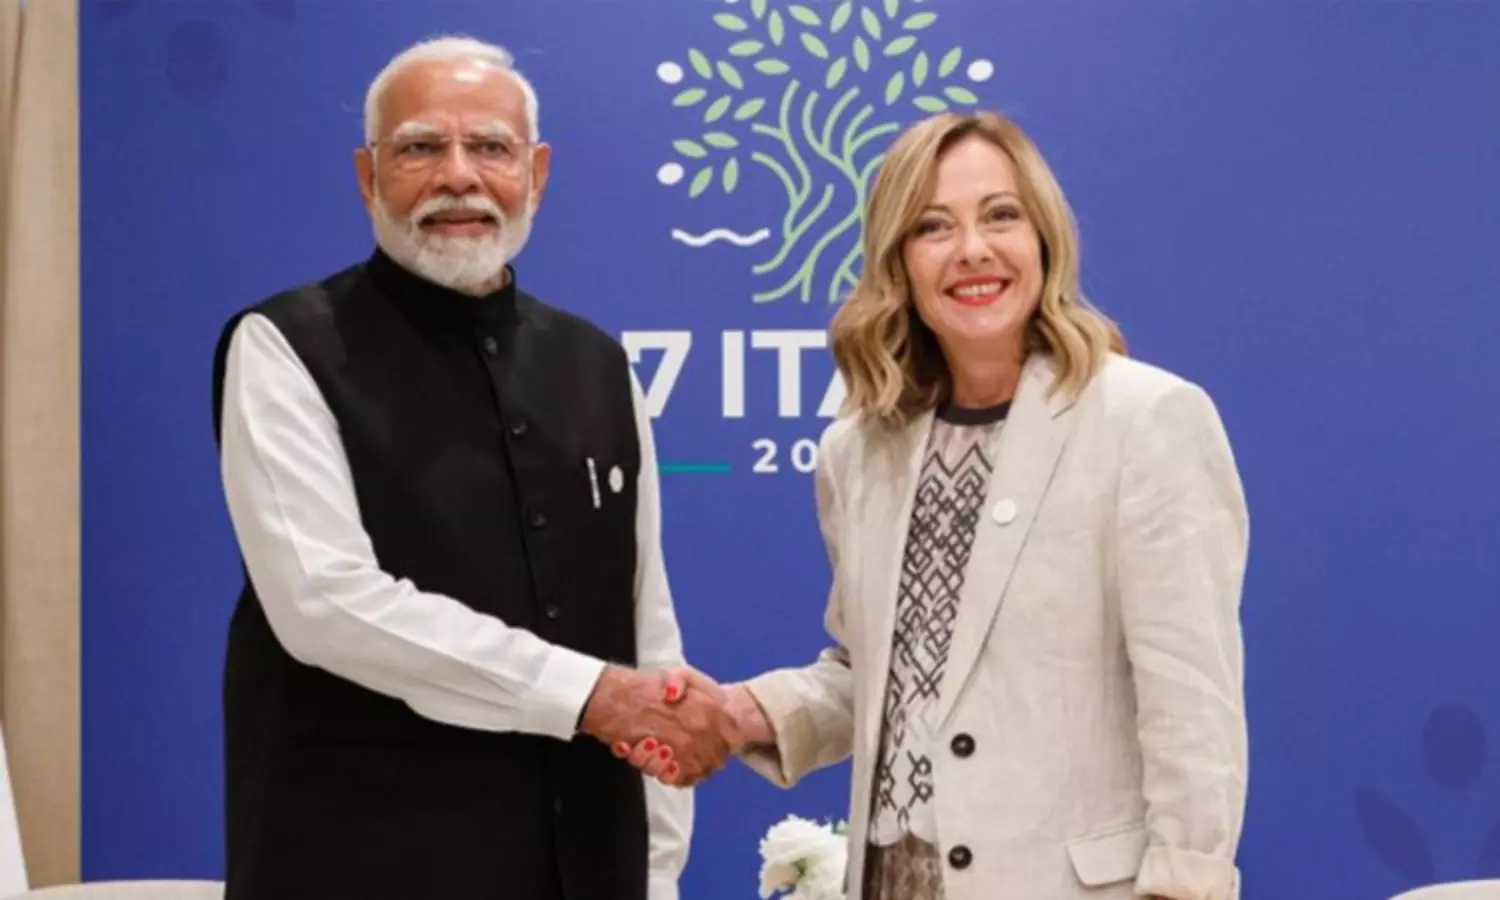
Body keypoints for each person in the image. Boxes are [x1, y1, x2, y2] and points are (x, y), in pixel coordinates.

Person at [623, 110, 1251, 900]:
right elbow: (883, 675)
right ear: (900, 261)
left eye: (1001, 215)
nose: (973, 250)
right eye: (933, 226)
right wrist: (745, 712)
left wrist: (1186, 887)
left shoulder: (1145, 419)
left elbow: (1192, 705)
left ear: (1044, 237)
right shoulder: (860, 450)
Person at [210, 36, 731, 900]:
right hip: (360, 864)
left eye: (491, 146)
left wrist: (657, 868)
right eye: (420, 147)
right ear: (367, 176)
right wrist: (589, 694)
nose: (458, 176)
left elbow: (646, 624)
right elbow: (324, 603)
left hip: (588, 865)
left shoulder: (598, 364)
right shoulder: (285, 347)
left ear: (537, 173)